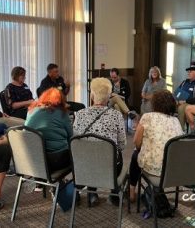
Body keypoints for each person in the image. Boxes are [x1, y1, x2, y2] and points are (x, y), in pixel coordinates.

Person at [73, 77, 126, 206]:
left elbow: (75, 141)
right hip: (110, 167)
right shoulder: (116, 115)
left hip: (84, 166)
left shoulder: (79, 114)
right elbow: (122, 145)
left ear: (92, 95)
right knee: (116, 154)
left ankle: (92, 192)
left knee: (89, 152)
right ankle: (114, 193)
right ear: (108, 97)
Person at [129, 89, 184, 202]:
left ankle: (131, 192)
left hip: (154, 168)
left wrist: (143, 148)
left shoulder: (147, 117)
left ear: (154, 103)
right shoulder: (176, 121)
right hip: (173, 170)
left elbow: (136, 142)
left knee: (136, 154)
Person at [25, 88, 73, 173]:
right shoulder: (62, 113)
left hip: (34, 159)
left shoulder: (31, 111)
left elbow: (26, 133)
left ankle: (41, 183)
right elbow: (71, 136)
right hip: (57, 159)